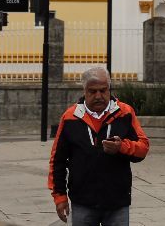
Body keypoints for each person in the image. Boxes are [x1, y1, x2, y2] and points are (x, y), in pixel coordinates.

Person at [48, 67, 149, 225]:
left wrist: (121, 147)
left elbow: (143, 148)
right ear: (84, 91)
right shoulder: (70, 117)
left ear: (109, 89)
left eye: (103, 90)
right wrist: (60, 197)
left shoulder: (125, 113)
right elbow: (57, 161)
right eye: (92, 91)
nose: (98, 96)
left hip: (117, 203)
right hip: (82, 202)